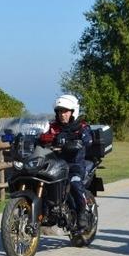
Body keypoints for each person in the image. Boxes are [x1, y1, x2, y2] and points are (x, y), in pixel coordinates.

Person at [39, 94, 93, 231]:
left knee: (74, 184)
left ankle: (82, 213)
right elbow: (41, 135)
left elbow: (87, 140)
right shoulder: (52, 126)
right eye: (59, 111)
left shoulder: (81, 127)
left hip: (74, 165)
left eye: (65, 111)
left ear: (73, 111)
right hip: (54, 165)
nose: (62, 114)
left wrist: (74, 140)